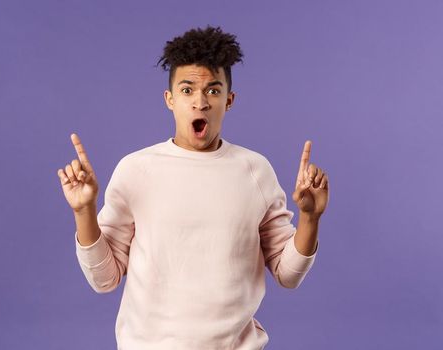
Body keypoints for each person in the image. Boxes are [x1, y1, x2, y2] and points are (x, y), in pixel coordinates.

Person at [56, 26, 329, 349]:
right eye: (187, 91)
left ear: (229, 100)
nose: (200, 102)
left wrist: (310, 217)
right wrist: (84, 210)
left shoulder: (255, 171)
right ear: (169, 99)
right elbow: (105, 280)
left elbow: (288, 274)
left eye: (213, 91)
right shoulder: (136, 170)